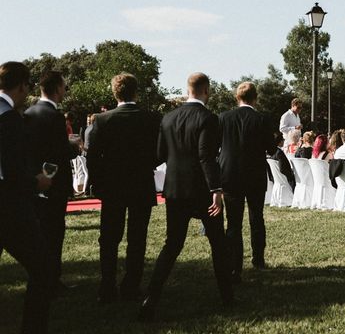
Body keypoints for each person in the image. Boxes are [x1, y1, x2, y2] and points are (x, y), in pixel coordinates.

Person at [140, 73, 233, 321]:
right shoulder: (208, 118)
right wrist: (216, 190)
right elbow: (206, 156)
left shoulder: (168, 118)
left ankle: (151, 297)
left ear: (188, 89)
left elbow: (160, 153)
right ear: (206, 90)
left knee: (172, 244)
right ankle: (227, 296)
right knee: (218, 242)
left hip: (175, 189)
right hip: (201, 190)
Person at [87, 73, 160, 303]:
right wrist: (148, 164)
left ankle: (107, 286)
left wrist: (97, 181)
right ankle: (131, 284)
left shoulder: (103, 119)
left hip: (113, 186)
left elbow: (93, 157)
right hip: (140, 184)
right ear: (135, 92)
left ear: (114, 92)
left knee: (109, 238)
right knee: (137, 237)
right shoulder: (150, 118)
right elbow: (160, 151)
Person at [0, 61, 53, 333]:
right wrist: (37, 182)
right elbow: (11, 172)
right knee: (43, 270)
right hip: (9, 207)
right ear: (22, 86)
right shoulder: (8, 118)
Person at [24, 70, 79, 297]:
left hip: (34, 181)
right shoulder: (54, 116)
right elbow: (58, 151)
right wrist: (73, 146)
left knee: (39, 233)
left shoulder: (27, 113)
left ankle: (38, 278)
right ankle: (51, 280)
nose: (65, 90)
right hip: (54, 182)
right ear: (57, 88)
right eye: (64, 86)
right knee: (55, 232)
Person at [219, 82, 272, 283]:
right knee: (256, 217)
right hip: (255, 174)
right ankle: (258, 259)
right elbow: (269, 147)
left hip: (230, 174)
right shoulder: (261, 119)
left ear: (237, 97)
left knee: (233, 222)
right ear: (255, 98)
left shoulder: (224, 118)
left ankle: (234, 266)